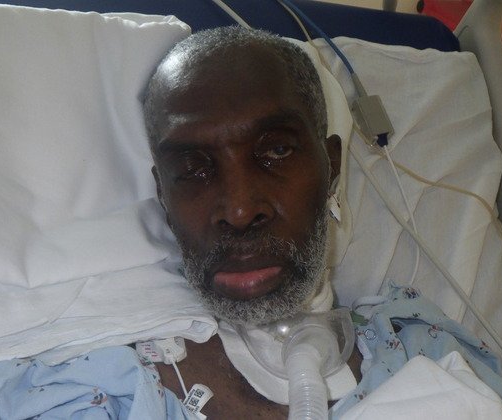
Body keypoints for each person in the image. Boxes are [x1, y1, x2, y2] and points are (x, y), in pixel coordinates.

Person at [143, 25, 350, 418]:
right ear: (163, 196)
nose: (239, 212)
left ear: (331, 165)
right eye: (192, 168)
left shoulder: (422, 350)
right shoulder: (90, 388)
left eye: (277, 150)